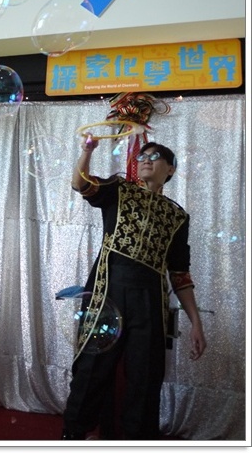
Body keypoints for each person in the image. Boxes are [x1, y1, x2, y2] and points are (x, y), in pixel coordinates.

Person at [61, 137, 207, 440]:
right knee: (92, 369)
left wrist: (196, 322)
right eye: (142, 156)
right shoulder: (119, 190)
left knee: (146, 376)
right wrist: (87, 151)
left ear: (170, 169)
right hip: (108, 292)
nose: (146, 160)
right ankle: (74, 436)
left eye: (155, 156)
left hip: (150, 300)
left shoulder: (177, 217)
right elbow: (80, 184)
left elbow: (180, 274)